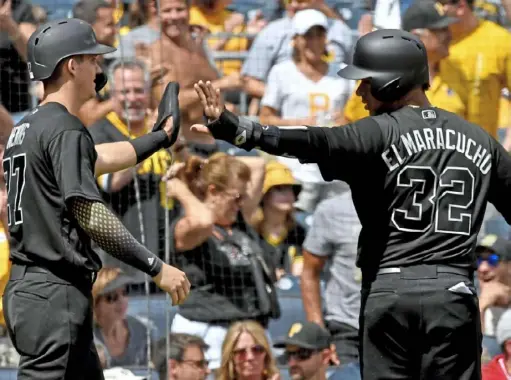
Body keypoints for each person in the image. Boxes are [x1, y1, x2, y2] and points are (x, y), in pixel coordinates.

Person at [192, 27, 511, 379]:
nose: (359, 91)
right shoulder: (481, 139)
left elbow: (313, 140)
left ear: (392, 82)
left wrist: (242, 131)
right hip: (454, 295)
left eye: (366, 81)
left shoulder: (377, 131)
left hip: (390, 292)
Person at [2, 18, 190, 380]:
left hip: (33, 290)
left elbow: (98, 156)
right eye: (93, 59)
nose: (99, 68)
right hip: (52, 293)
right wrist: (156, 267)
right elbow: (89, 212)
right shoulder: (64, 129)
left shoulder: (32, 126)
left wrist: (159, 139)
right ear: (72, 65)